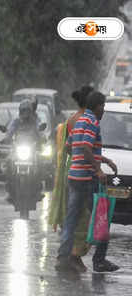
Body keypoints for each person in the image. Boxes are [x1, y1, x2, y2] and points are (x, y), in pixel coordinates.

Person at [55, 91, 119, 273]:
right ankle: (99, 260)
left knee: (71, 219)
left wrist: (103, 160)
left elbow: (70, 147)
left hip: (74, 177)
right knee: (102, 217)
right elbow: (85, 147)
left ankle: (62, 258)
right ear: (97, 106)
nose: (104, 110)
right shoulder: (92, 122)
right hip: (87, 179)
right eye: (103, 106)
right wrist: (97, 170)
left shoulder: (80, 121)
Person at [49, 85, 93, 272]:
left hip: (70, 168)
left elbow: (67, 147)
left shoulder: (71, 119)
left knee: (72, 214)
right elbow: (85, 147)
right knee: (82, 216)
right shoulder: (85, 120)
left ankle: (66, 256)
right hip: (81, 171)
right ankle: (73, 255)